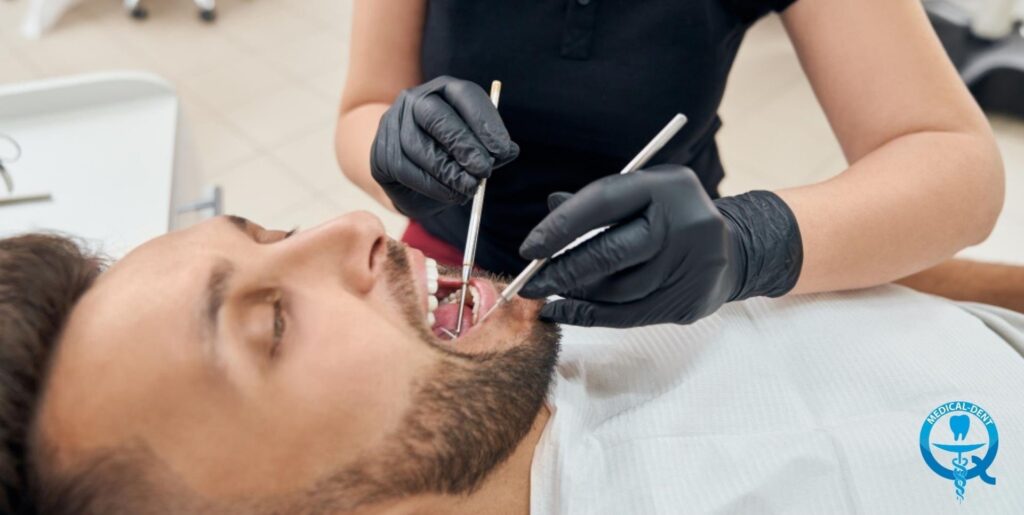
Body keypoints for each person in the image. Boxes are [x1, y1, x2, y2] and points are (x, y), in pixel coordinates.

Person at [2, 213, 1023, 514]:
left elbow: (925, 288)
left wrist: (773, 242)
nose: (350, 229)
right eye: (270, 323)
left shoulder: (540, 320)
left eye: (267, 229)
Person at [336, 0, 1008, 329]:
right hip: (450, 261)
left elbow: (957, 165)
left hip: (669, 276)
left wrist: (750, 241)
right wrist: (388, 145)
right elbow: (362, 105)